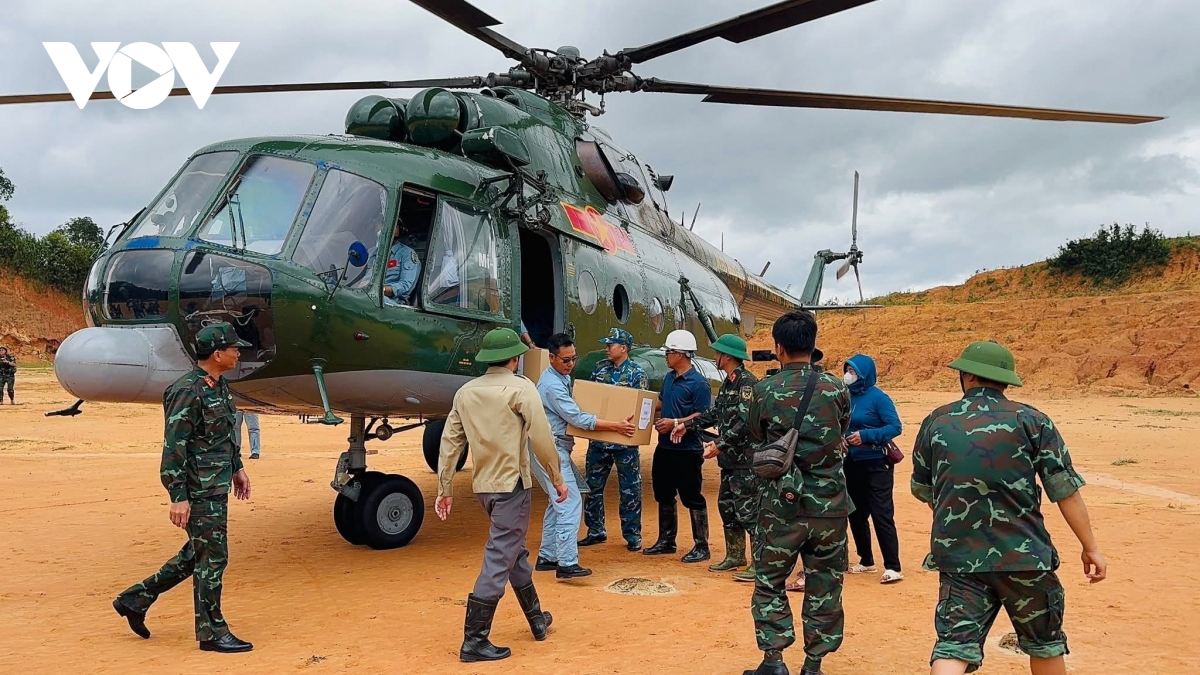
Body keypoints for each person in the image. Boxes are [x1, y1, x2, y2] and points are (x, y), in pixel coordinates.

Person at [911, 341, 1106, 675]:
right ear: (1005, 381)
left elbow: (924, 488)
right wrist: (1091, 548)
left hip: (959, 557)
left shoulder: (936, 421)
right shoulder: (1033, 420)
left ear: (967, 376)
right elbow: (1065, 491)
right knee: (1045, 645)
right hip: (1026, 557)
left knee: (953, 648)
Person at [112, 322, 255, 653]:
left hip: (216, 484)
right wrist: (178, 497)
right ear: (217, 354)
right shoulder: (187, 391)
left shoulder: (218, 386)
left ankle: (135, 599)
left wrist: (237, 467)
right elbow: (174, 447)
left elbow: (222, 435)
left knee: (198, 553)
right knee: (213, 557)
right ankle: (211, 632)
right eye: (234, 348)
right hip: (198, 489)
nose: (238, 353)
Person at [434, 327, 568, 662]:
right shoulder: (521, 388)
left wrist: (445, 488)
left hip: (484, 487)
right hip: (512, 486)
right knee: (499, 557)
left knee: (513, 552)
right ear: (515, 359)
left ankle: (537, 619)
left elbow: (450, 443)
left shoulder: (465, 392)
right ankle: (474, 640)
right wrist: (557, 478)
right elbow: (542, 437)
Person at [743, 312, 852, 675]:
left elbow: (757, 435)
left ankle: (774, 662)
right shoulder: (837, 389)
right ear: (813, 345)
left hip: (782, 505)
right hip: (830, 506)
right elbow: (842, 430)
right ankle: (813, 665)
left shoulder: (765, 390)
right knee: (825, 585)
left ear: (778, 347)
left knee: (769, 580)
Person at [530, 332, 636, 579]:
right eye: (565, 360)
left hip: (554, 448)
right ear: (551, 358)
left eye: (573, 359)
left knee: (558, 501)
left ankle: (548, 556)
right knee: (569, 501)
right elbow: (577, 418)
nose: (570, 364)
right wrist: (616, 426)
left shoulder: (560, 378)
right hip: (551, 449)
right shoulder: (552, 385)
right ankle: (566, 562)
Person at [667, 333, 759, 580]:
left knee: (749, 512)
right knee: (727, 508)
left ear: (727, 356)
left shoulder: (746, 384)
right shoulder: (729, 382)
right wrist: (687, 425)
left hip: (745, 462)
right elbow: (714, 413)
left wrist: (720, 444)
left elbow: (746, 422)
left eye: (718, 353)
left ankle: (760, 564)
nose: (715, 356)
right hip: (730, 461)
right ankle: (735, 555)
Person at [579, 328, 649, 551]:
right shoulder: (599, 369)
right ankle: (595, 530)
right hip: (599, 441)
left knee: (630, 489)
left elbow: (641, 408)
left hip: (625, 442)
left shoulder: (637, 374)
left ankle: (632, 534)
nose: (607, 348)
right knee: (592, 488)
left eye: (611, 345)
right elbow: (592, 400)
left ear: (624, 348)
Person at [647, 329, 713, 562]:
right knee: (663, 493)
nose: (666, 355)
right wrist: (636, 407)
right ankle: (666, 541)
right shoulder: (669, 378)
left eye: (669, 352)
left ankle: (702, 546)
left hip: (688, 451)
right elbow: (660, 402)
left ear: (681, 354)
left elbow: (704, 416)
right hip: (665, 448)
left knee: (691, 496)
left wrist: (675, 422)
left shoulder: (699, 384)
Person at [842, 353, 904, 583]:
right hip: (852, 462)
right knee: (856, 513)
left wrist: (866, 435)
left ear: (864, 374)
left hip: (877, 463)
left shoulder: (879, 398)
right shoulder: (846, 396)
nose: (848, 375)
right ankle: (866, 560)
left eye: (853, 371)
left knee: (881, 513)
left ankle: (893, 566)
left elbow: (895, 426)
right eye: (847, 370)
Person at [786, 346, 823, 593]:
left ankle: (805, 573)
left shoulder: (772, 387)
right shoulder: (833, 388)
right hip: (824, 480)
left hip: (791, 477)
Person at [383, 221, 421, 306]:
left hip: (394, 302)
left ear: (398, 229)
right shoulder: (372, 252)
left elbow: (405, 286)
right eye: (380, 223)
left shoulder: (407, 254)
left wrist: (382, 290)